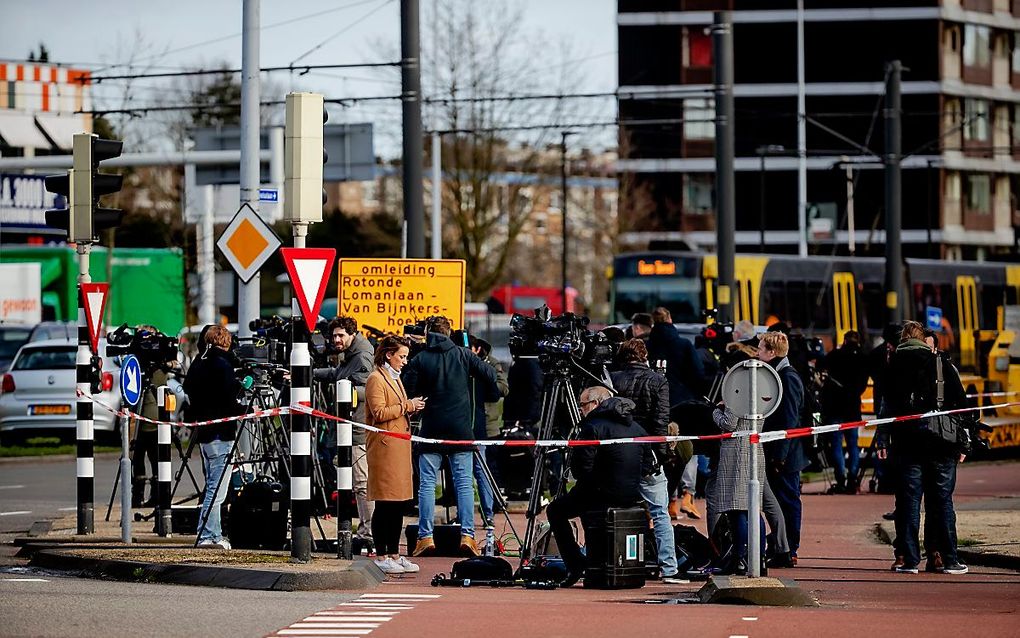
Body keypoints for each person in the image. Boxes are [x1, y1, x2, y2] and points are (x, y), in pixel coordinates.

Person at [876, 320, 970, 575]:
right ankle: (948, 558)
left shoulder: (892, 366)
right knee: (941, 502)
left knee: (908, 502)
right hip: (941, 443)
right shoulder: (940, 362)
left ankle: (908, 559)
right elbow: (961, 406)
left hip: (907, 445)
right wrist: (964, 442)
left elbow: (886, 408)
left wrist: (882, 439)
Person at [402, 316, 498, 557]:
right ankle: (467, 535)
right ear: (449, 332)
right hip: (461, 430)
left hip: (432, 428)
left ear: (428, 333)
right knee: (465, 483)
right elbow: (490, 375)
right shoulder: (462, 355)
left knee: (426, 485)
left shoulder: (421, 358)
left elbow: (408, 388)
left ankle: (425, 537)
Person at [546, 386, 653, 587]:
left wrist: (593, 482)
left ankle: (575, 564)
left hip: (600, 492)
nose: (580, 410)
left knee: (555, 510)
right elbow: (648, 464)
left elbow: (581, 469)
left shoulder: (592, 426)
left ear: (596, 404)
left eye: (583, 405)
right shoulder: (637, 427)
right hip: (630, 493)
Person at [610, 338, 679, 579]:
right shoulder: (658, 381)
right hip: (647, 452)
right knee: (660, 512)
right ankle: (669, 566)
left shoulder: (613, 378)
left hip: (619, 453)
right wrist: (660, 455)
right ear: (644, 356)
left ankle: (609, 558)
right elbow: (660, 421)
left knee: (612, 509)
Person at [365, 336, 426, 575]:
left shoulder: (394, 377)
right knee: (385, 504)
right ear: (389, 354)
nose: (404, 361)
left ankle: (394, 553)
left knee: (398, 504)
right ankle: (382, 553)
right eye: (402, 356)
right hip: (385, 448)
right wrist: (408, 406)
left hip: (398, 447)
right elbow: (379, 412)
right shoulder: (376, 379)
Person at [314, 316, 376, 551]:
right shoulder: (351, 354)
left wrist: (347, 394)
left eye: (341, 335)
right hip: (348, 427)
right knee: (353, 482)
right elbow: (339, 374)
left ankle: (368, 531)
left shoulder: (361, 356)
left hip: (357, 428)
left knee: (362, 482)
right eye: (334, 336)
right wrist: (311, 373)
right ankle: (363, 528)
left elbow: (365, 388)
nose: (336, 340)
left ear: (352, 334)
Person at [183, 324, 243, 549]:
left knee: (211, 484)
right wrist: (244, 407)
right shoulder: (223, 365)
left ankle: (214, 532)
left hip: (205, 433)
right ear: (226, 342)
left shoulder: (199, 362)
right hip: (221, 432)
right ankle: (208, 535)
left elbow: (189, 390)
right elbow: (229, 399)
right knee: (217, 489)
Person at [758, 331, 807, 565]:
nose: (757, 354)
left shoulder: (787, 377)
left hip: (786, 454)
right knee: (779, 500)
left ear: (772, 352)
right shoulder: (778, 375)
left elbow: (789, 419)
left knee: (787, 500)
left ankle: (790, 548)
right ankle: (781, 545)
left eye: (760, 349)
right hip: (780, 450)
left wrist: (780, 457)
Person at [818, 330, 870, 494]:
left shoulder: (835, 355)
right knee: (853, 444)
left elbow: (820, 366)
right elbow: (863, 384)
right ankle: (853, 478)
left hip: (835, 407)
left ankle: (840, 477)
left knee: (836, 444)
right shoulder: (862, 358)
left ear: (845, 341)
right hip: (852, 408)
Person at [469, 335, 508, 526]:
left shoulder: (488, 365)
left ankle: (488, 512)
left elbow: (500, 390)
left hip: (484, 423)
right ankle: (473, 515)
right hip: (475, 425)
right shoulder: (469, 365)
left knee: (482, 470)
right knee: (470, 473)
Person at [637, 307, 706, 406]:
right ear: (670, 319)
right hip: (681, 399)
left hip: (652, 400)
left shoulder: (645, 346)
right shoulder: (684, 344)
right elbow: (698, 372)